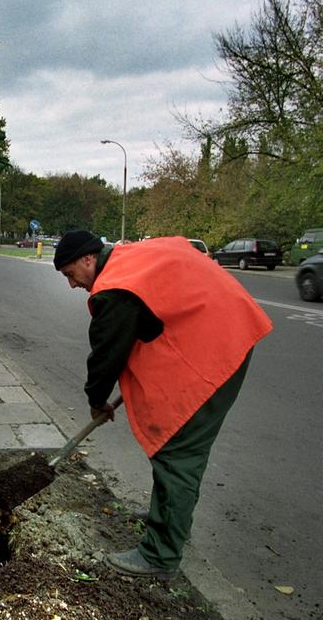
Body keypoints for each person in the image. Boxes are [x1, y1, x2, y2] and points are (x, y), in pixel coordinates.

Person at [54, 231, 272, 580]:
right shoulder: (133, 256)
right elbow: (179, 252)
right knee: (178, 451)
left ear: (87, 259)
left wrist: (97, 401)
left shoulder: (114, 288)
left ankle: (160, 554)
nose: (71, 284)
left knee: (178, 451)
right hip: (228, 325)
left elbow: (106, 356)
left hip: (217, 347)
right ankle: (165, 516)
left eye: (69, 274)